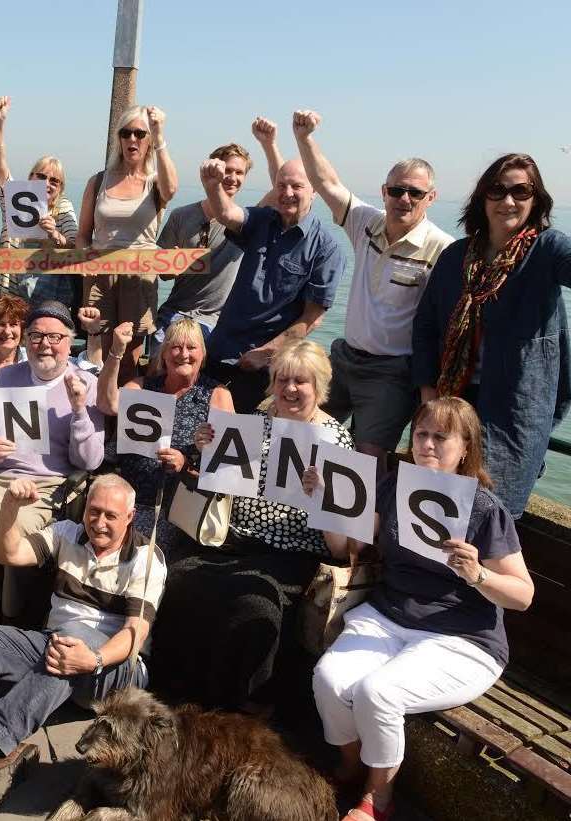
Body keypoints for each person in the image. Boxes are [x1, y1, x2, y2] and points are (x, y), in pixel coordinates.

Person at [308, 398, 533, 821]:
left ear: (465, 448)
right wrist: (324, 497)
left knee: (380, 693)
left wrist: (478, 574)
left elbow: (523, 595)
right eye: (422, 434)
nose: (427, 444)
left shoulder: (484, 509)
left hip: (461, 637)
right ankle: (354, 762)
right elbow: (353, 541)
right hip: (389, 616)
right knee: (329, 679)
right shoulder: (397, 485)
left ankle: (378, 798)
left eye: (441, 437)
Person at [0, 474, 165, 806]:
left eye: (111, 515)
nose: (99, 523)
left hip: (116, 669)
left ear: (130, 517)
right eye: (94, 511)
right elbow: (10, 554)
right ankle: (2, 749)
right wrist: (9, 508)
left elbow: (136, 634)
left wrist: (95, 659)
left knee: (69, 642)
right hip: (58, 644)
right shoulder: (67, 533)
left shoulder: (146, 558)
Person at [149, 340, 354, 711]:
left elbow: (342, 548)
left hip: (294, 552)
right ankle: (176, 694)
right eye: (282, 380)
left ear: (319, 388)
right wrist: (204, 449)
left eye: (301, 382)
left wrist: (323, 497)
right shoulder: (254, 423)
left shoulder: (335, 439)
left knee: (257, 604)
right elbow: (216, 485)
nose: (290, 389)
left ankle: (244, 708)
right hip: (236, 539)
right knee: (180, 576)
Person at [412, 153, 571, 519]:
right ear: (483, 198)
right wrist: (427, 393)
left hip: (513, 409)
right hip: (453, 401)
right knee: (439, 503)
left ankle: (483, 577)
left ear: (537, 199)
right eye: (498, 191)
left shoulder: (547, 250)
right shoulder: (455, 257)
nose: (509, 201)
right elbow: (425, 328)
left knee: (493, 511)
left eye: (521, 191)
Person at [292, 110, 453, 470]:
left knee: (365, 461)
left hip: (391, 372)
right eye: (397, 190)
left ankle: (358, 528)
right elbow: (328, 182)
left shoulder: (442, 249)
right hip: (345, 358)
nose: (404, 198)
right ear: (384, 192)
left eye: (415, 192)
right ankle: (300, 521)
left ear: (431, 197)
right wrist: (304, 139)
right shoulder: (366, 222)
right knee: (301, 433)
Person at [0, 301, 106, 622]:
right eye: (36, 336)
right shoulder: (4, 377)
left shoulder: (87, 384)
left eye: (54, 337)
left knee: (15, 531)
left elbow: (90, 461)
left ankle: (14, 615)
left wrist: (79, 410)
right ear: (25, 341)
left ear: (69, 341)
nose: (44, 345)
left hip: (48, 484)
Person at [200, 155, 347, 414]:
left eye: (296, 186)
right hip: (219, 348)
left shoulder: (327, 249)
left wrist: (266, 353)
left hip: (262, 368)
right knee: (201, 424)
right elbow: (226, 214)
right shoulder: (262, 220)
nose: (287, 193)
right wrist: (213, 186)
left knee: (236, 435)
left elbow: (312, 318)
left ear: (314, 191)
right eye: (281, 186)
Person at [147, 118, 283, 360]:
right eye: (227, 170)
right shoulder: (182, 216)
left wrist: (269, 145)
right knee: (160, 366)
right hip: (176, 313)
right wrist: (171, 263)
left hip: (216, 321)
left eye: (239, 172)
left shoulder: (247, 221)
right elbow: (162, 272)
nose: (232, 177)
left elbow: (281, 188)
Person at [98, 318, 234, 559]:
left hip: (177, 506)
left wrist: (186, 464)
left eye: (191, 347)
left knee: (132, 552)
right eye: (175, 347)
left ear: (202, 354)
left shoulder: (217, 394)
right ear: (164, 354)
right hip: (127, 495)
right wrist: (116, 352)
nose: (183, 354)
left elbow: (228, 468)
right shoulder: (142, 387)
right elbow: (107, 404)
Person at [76, 104, 178, 383]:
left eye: (140, 134)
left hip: (138, 276)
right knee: (104, 358)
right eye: (126, 133)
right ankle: (102, 422)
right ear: (118, 139)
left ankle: (123, 420)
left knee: (130, 362)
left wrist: (160, 135)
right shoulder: (98, 181)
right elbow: (83, 233)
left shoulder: (154, 182)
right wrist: (84, 255)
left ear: (149, 140)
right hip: (100, 277)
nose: (132, 139)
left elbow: (171, 189)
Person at [0, 96, 80, 306]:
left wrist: (55, 235)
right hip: (7, 296)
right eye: (41, 176)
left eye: (54, 181)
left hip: (45, 300)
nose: (47, 184)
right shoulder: (18, 198)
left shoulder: (63, 207)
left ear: (61, 188)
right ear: (30, 177)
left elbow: (76, 246)